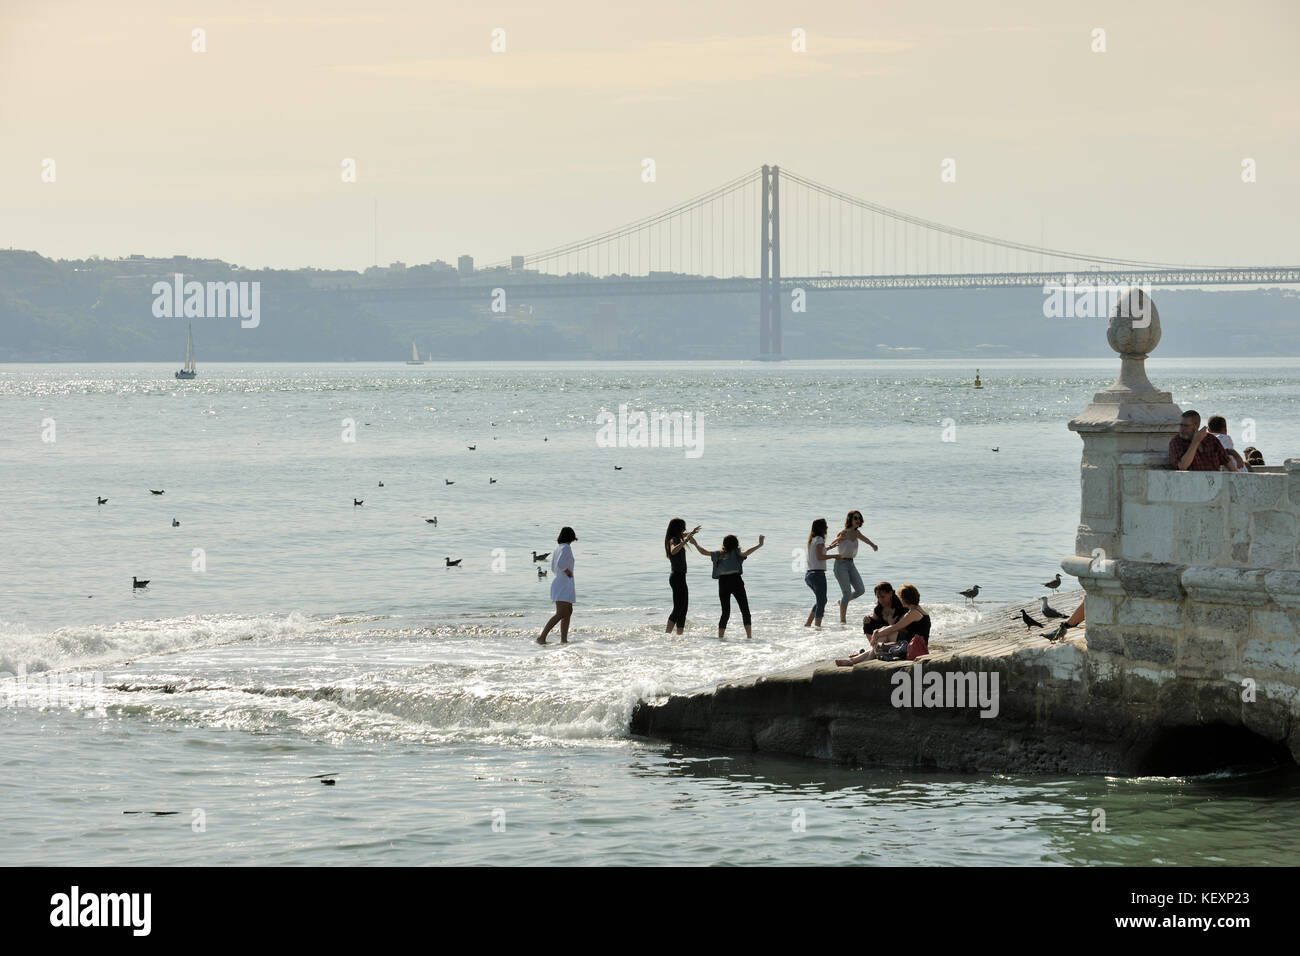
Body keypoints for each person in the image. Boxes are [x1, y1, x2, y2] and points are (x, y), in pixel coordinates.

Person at [835, 583, 929, 665]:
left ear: (905, 599)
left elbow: (895, 627)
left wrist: (877, 634)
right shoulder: (916, 610)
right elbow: (895, 627)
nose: (900, 599)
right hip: (910, 643)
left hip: (915, 646)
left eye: (901, 598)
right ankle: (852, 660)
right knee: (881, 638)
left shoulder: (914, 613)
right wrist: (878, 632)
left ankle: (861, 661)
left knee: (881, 640)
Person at [693, 533, 764, 639]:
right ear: (736, 544)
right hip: (736, 581)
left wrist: (695, 543)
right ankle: (749, 637)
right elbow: (747, 552)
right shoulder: (737, 553)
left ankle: (720, 638)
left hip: (723, 582)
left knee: (725, 612)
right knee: (745, 610)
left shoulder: (718, 554)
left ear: (724, 544)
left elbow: (703, 552)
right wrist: (760, 544)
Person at [829, 510, 878, 624]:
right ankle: (843, 621)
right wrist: (837, 540)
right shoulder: (844, 532)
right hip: (840, 564)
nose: (858, 520)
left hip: (851, 564)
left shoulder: (857, 533)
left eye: (859, 518)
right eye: (855, 518)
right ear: (850, 519)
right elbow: (833, 543)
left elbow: (866, 539)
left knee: (861, 590)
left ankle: (842, 602)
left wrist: (873, 545)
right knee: (846, 592)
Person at [537, 527, 577, 644]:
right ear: (570, 537)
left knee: (568, 611)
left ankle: (564, 640)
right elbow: (560, 564)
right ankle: (542, 637)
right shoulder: (566, 548)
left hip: (562, 582)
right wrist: (567, 571)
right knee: (561, 613)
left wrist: (563, 573)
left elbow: (553, 567)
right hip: (563, 583)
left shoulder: (559, 548)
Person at [664, 518, 701, 634]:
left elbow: (684, 534)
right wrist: (685, 541)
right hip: (677, 577)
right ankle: (667, 634)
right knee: (678, 608)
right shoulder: (673, 540)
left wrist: (692, 533)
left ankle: (679, 636)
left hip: (680, 577)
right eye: (683, 527)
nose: (684, 529)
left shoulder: (676, 537)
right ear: (677, 528)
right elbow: (674, 551)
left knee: (683, 609)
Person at [804, 518, 832, 628]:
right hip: (818, 575)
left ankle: (808, 624)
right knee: (821, 601)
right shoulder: (820, 539)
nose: (827, 527)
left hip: (809, 575)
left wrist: (831, 547)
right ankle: (817, 626)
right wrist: (835, 556)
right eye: (825, 525)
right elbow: (820, 557)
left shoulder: (813, 540)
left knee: (822, 600)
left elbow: (820, 552)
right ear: (822, 528)